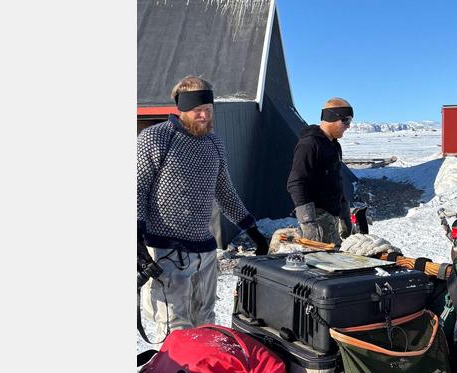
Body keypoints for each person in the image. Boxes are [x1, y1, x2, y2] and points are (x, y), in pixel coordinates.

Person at [137, 75, 269, 342]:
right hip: (166, 251)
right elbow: (135, 190)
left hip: (205, 252)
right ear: (181, 108)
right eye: (198, 109)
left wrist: (251, 229)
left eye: (208, 109)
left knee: (207, 323)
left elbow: (224, 191)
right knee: (176, 329)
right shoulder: (156, 138)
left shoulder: (214, 144)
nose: (204, 115)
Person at [286, 98, 354, 244]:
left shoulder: (335, 146)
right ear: (332, 117)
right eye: (346, 121)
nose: (348, 126)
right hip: (317, 218)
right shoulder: (309, 144)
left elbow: (336, 181)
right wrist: (308, 223)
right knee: (325, 263)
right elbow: (296, 182)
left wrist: (345, 215)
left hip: (331, 217)